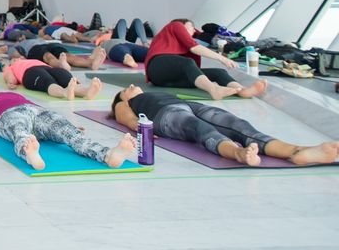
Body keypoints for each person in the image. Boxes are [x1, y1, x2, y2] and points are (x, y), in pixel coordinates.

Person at [110, 84, 338, 167]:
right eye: (125, 89)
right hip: (164, 115)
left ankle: (296, 150)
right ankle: (237, 152)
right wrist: (143, 130)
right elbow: (127, 119)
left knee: (236, 124)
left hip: (187, 104)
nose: (130, 86)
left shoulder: (150, 93)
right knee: (199, 128)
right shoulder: (124, 103)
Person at [0, 86, 135, 171]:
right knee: (20, 133)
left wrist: (70, 126)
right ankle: (30, 156)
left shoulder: (9, 93)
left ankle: (108, 155)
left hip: (37, 111)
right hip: (7, 115)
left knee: (68, 132)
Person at [145, 19, 266, 100]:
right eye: (191, 27)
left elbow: (197, 42)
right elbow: (195, 48)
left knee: (219, 72)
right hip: (156, 68)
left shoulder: (189, 39)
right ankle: (214, 90)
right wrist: (222, 59)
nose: (193, 30)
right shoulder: (175, 26)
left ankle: (242, 90)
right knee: (187, 62)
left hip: (167, 80)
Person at [1, 57, 103, 101]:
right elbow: (11, 78)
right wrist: (10, 81)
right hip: (29, 73)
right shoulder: (12, 67)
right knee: (48, 81)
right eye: (13, 60)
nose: (16, 59)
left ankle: (86, 92)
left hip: (48, 68)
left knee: (65, 77)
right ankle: (64, 92)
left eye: (17, 58)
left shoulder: (32, 60)